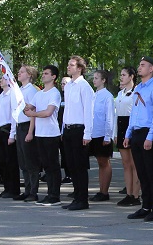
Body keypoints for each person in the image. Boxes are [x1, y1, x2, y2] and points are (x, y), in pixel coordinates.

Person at [124, 57, 153, 222]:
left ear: (151, 69)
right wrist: (128, 133)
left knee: (151, 173)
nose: (139, 67)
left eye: (143, 65)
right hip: (136, 132)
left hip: (149, 133)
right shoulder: (138, 88)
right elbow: (134, 113)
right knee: (142, 173)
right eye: (139, 64)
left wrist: (150, 136)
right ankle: (146, 206)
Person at [60, 55, 96, 209]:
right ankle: (76, 196)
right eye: (68, 64)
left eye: (72, 65)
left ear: (80, 68)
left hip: (79, 130)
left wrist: (87, 134)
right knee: (71, 165)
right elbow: (67, 110)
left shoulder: (84, 86)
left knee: (80, 166)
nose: (69, 67)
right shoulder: (68, 86)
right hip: (68, 129)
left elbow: (89, 111)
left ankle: (83, 199)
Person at [30, 64, 64, 204]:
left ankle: (54, 195)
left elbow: (48, 112)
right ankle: (50, 193)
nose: (43, 75)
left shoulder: (54, 93)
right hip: (40, 133)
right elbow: (30, 107)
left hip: (51, 133)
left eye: (46, 73)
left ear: (53, 77)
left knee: (52, 166)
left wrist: (34, 113)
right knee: (45, 165)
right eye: (43, 73)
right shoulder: (39, 94)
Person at [114, 66, 140, 207]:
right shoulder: (120, 93)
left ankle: (136, 194)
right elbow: (116, 114)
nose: (121, 77)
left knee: (134, 163)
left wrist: (129, 134)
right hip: (121, 125)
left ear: (131, 77)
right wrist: (115, 133)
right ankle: (128, 193)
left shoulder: (136, 92)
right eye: (121, 75)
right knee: (126, 164)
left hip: (131, 126)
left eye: (124, 75)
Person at [89, 69, 116, 201]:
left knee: (104, 161)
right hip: (93, 133)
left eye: (97, 78)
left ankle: (104, 191)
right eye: (93, 78)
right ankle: (101, 190)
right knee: (99, 162)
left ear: (103, 80)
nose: (94, 80)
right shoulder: (94, 95)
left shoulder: (107, 96)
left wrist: (107, 135)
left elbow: (110, 116)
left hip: (102, 133)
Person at [14, 65, 40, 201]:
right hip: (19, 126)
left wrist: (30, 132)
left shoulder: (31, 91)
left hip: (27, 126)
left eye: (22, 71)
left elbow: (33, 114)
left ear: (29, 75)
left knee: (31, 161)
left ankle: (33, 192)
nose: (19, 73)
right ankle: (27, 189)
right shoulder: (19, 90)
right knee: (23, 161)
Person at [0, 77, 21, 198]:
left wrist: (12, 134)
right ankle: (6, 187)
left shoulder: (12, 95)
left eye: (4, 79)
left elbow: (14, 115)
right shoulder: (0, 96)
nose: (1, 81)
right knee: (2, 160)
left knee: (11, 161)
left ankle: (13, 188)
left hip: (8, 129)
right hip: (0, 129)